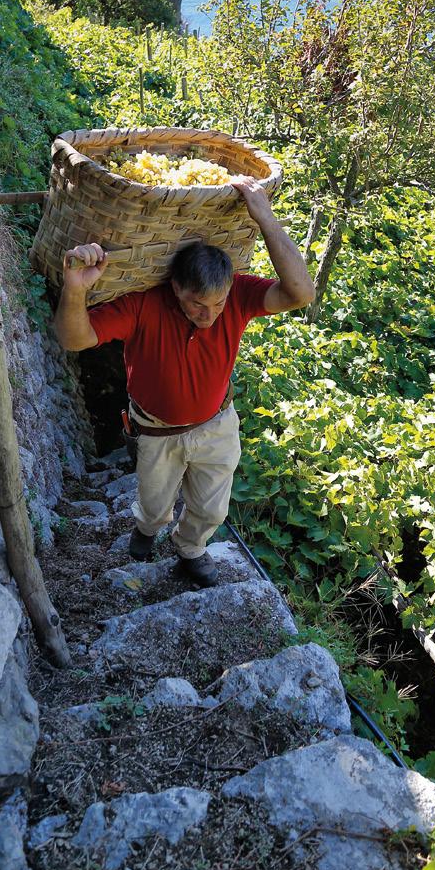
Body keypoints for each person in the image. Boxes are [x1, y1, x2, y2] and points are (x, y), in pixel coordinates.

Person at [54, 176, 316, 588]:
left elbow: (301, 293)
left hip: (216, 425)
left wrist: (265, 218)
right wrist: (75, 288)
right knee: (154, 504)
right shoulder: (144, 304)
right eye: (197, 304)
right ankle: (147, 528)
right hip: (156, 432)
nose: (209, 315)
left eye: (217, 303)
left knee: (212, 510)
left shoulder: (239, 294)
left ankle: (190, 548)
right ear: (176, 288)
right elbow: (74, 339)